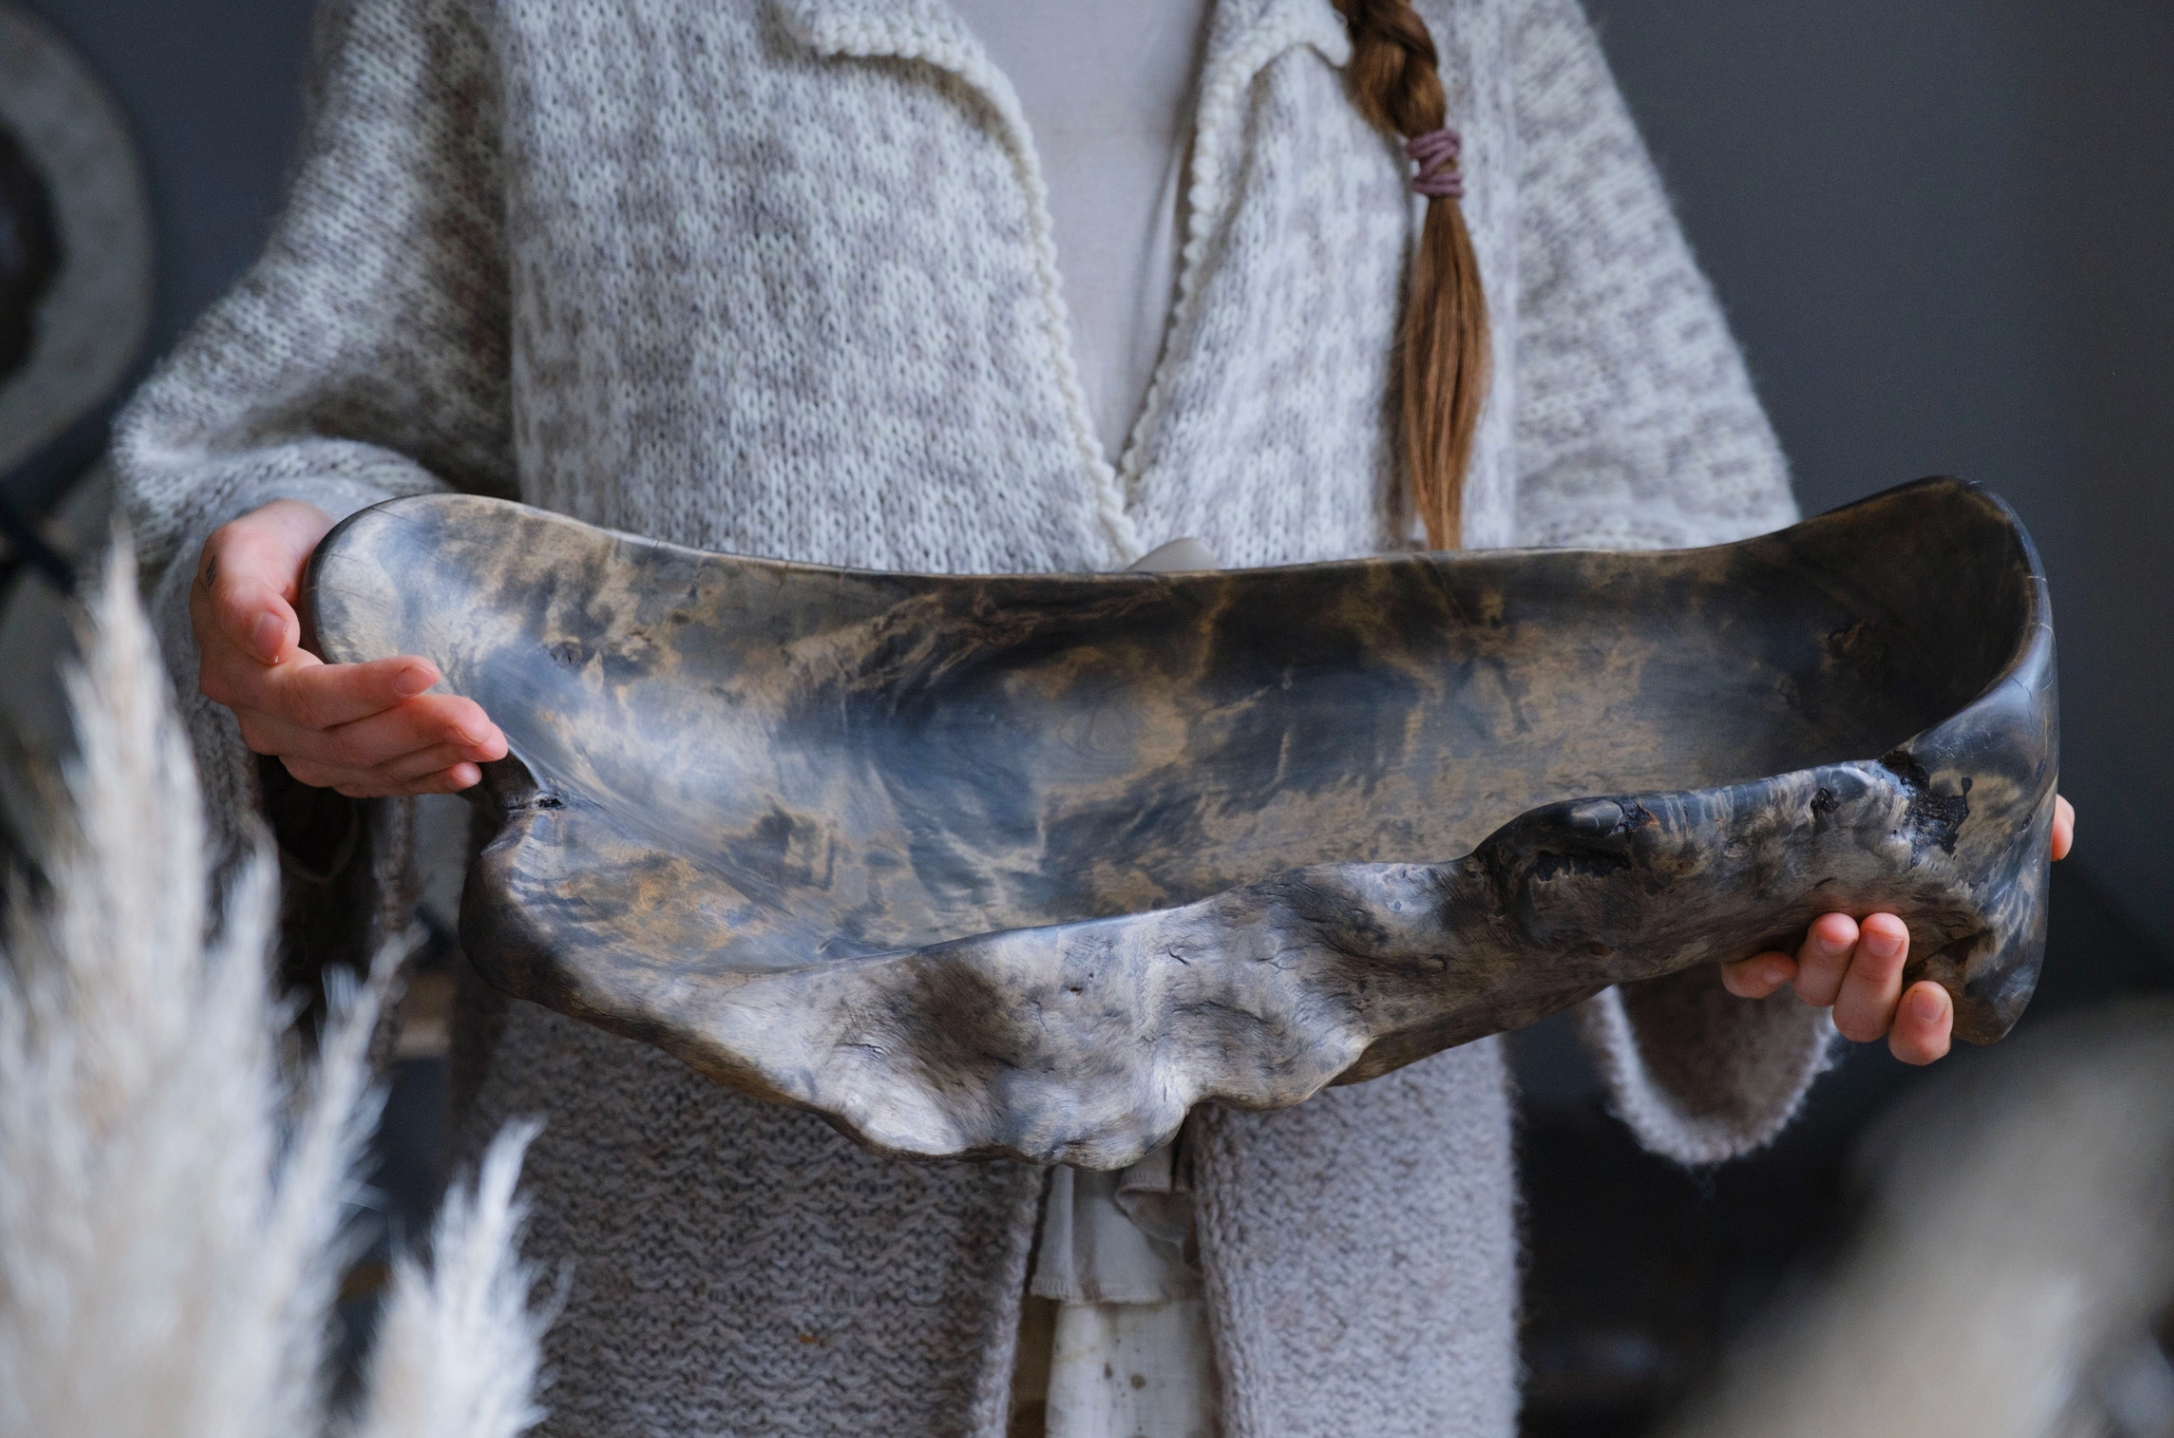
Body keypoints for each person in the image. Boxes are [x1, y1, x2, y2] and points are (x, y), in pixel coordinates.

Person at [114, 0, 2076, 1433]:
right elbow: (278, 435)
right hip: (715, 1295)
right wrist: (266, 580)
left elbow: (1686, 559)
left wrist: (1792, 859)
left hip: (1340, 1307)